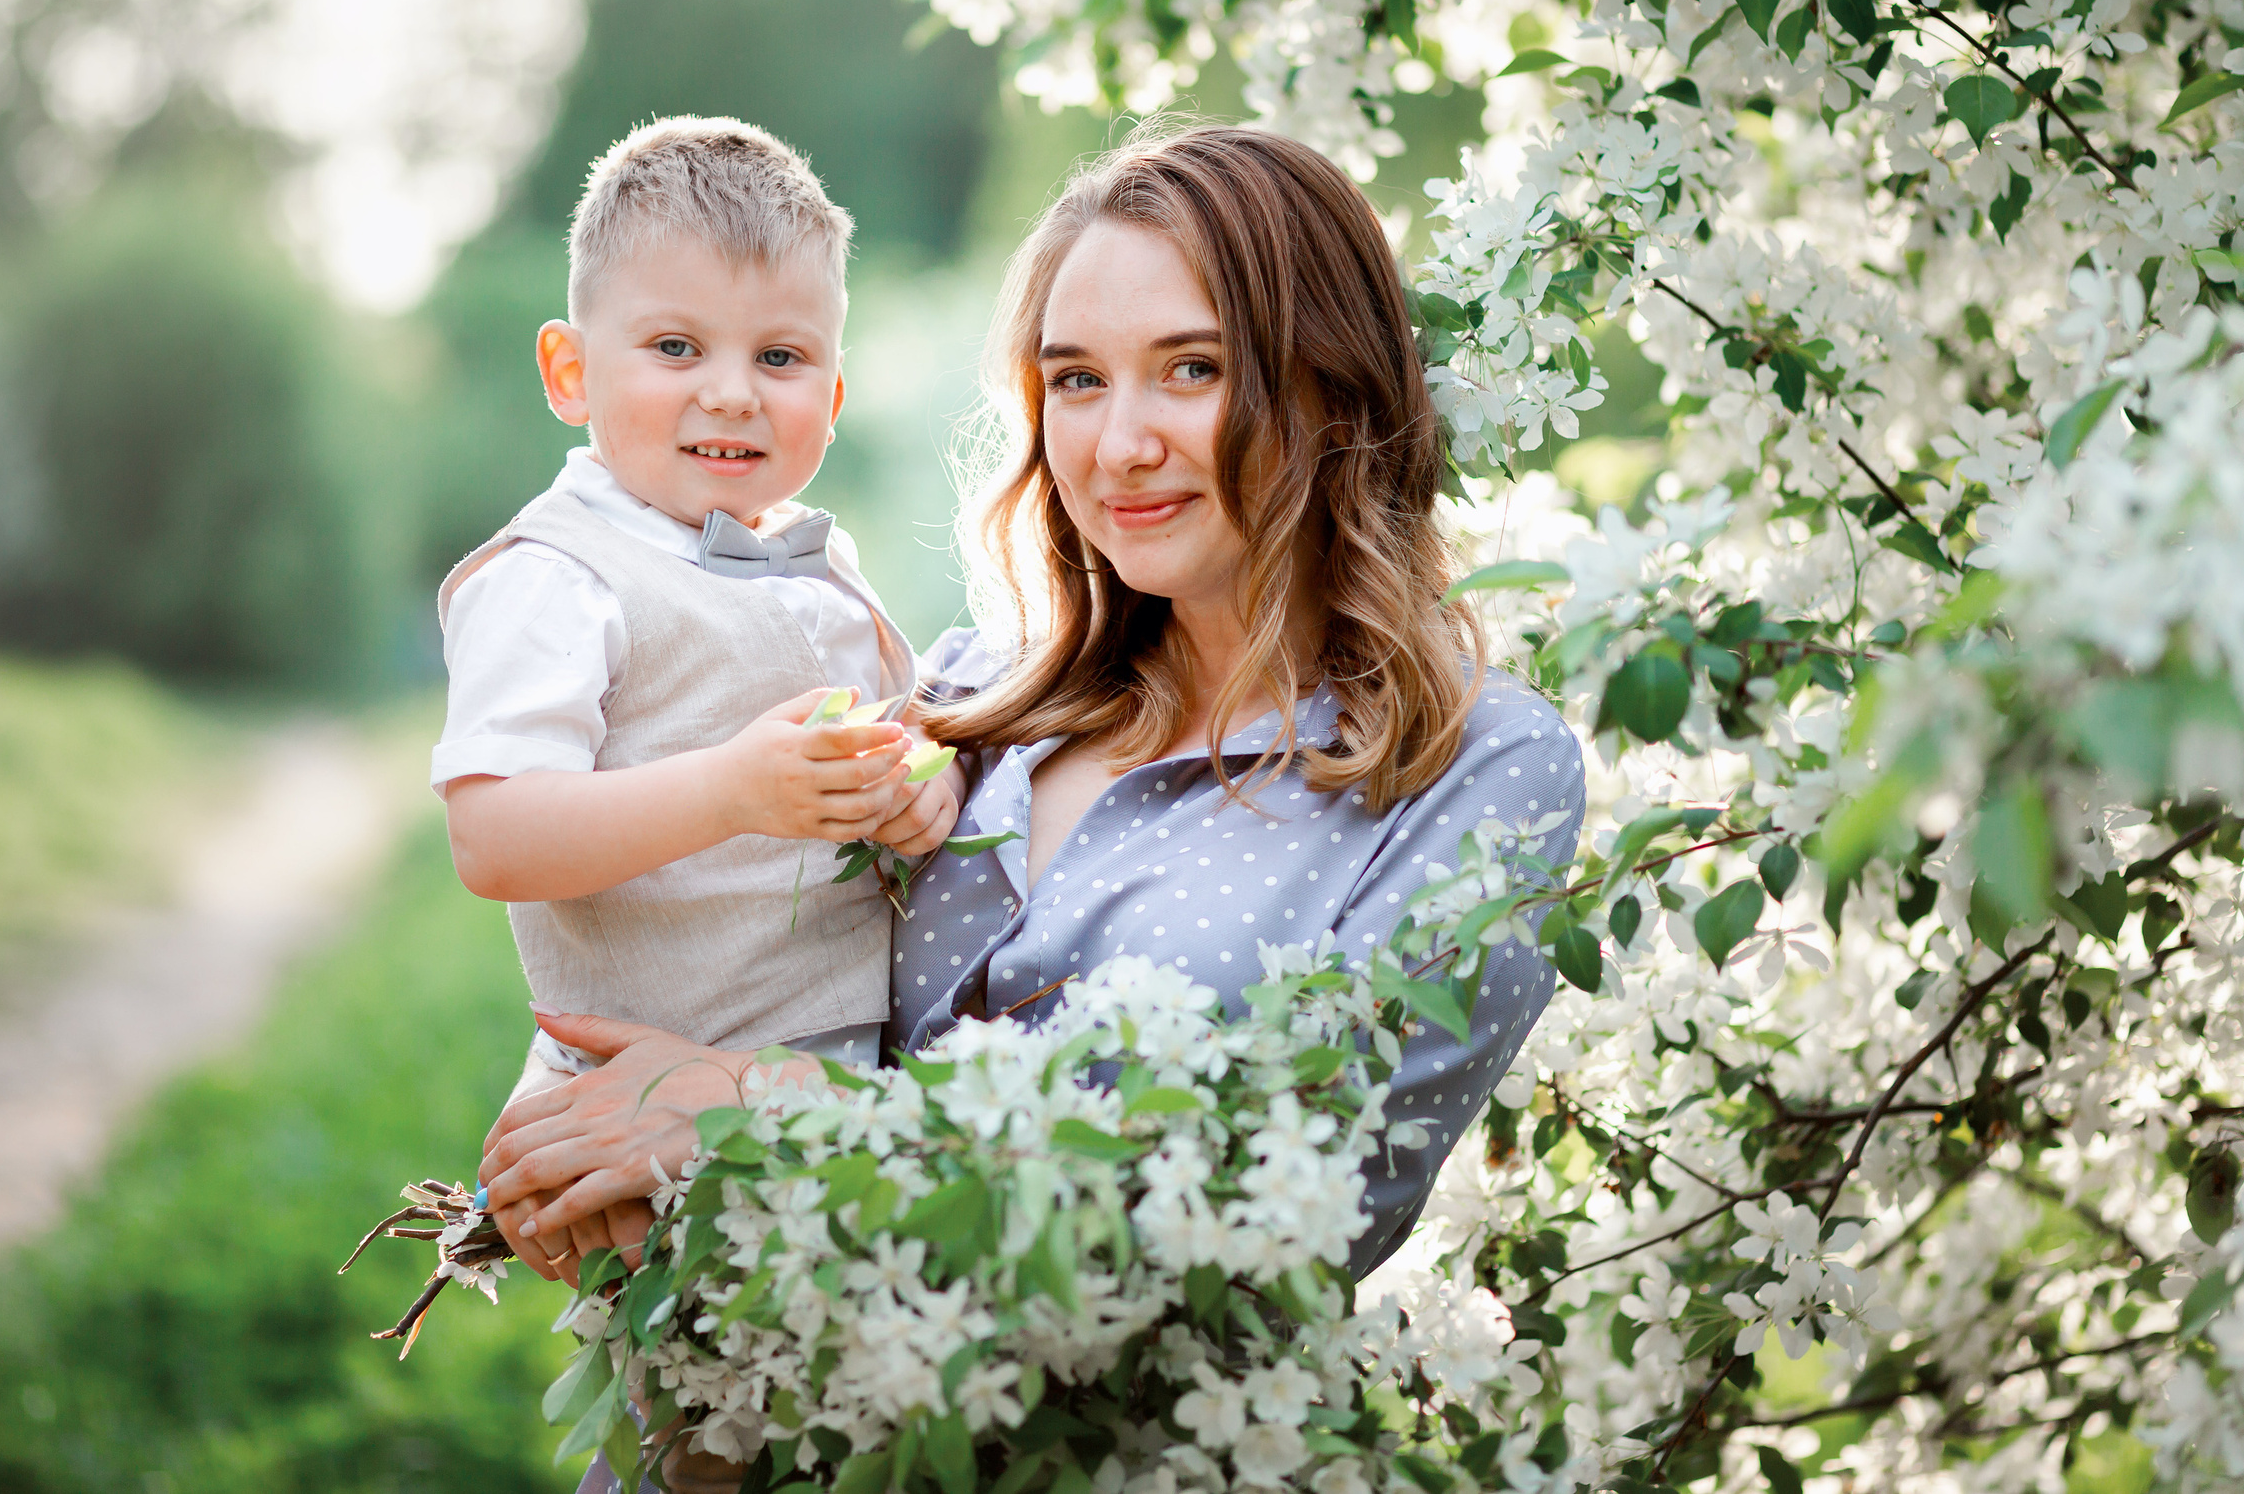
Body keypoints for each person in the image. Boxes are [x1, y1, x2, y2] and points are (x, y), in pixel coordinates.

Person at [481, 124, 1587, 1493]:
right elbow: (701, 940)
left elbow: (1293, 1218)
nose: (1120, 443)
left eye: (1193, 367)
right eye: (1076, 379)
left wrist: (755, 1115)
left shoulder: (1480, 771)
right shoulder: (956, 704)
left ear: (1332, 382)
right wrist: (580, 1131)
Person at [434, 115, 961, 1273]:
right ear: (571, 373)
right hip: (641, 1119)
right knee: (709, 1426)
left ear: (831, 394)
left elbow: (898, 739)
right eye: (676, 348)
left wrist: (917, 790)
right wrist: (730, 790)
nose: (731, 394)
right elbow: (493, 834)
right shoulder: (557, 578)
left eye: (779, 359)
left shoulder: (822, 563)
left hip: (820, 1094)